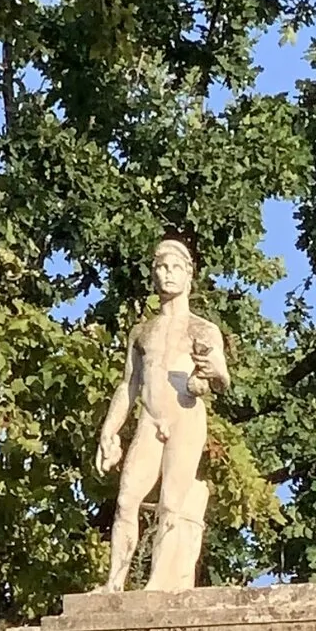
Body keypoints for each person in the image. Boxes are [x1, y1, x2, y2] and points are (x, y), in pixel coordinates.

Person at [96, 235, 230, 592]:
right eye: (161, 268)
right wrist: (109, 430)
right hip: (150, 419)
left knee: (171, 502)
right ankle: (114, 583)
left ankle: (158, 585)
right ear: (153, 274)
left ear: (188, 275)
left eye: (175, 268)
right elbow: (128, 385)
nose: (167, 274)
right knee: (126, 500)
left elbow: (222, 379)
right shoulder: (143, 331)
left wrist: (211, 373)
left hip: (184, 418)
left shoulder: (203, 328)